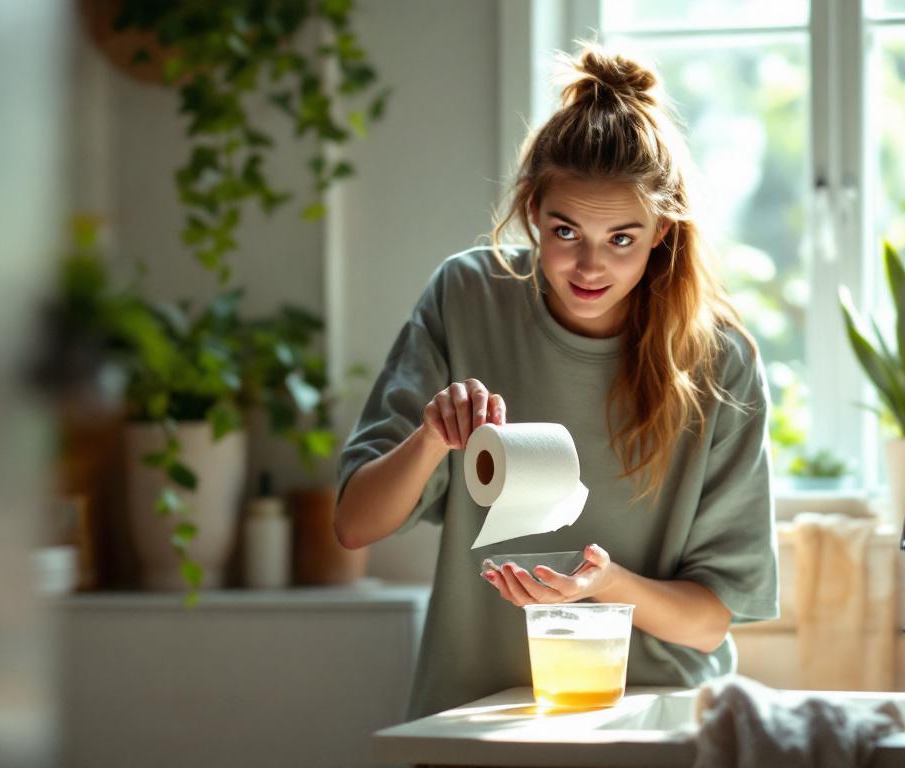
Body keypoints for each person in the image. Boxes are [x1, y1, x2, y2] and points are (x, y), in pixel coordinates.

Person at [333, 45, 779, 720]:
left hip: (651, 712)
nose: (590, 266)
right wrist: (430, 439)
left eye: (622, 239)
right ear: (532, 210)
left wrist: (603, 585)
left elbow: (710, 621)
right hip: (478, 711)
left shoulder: (718, 360)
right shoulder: (467, 296)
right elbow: (354, 525)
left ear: (661, 230)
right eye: (566, 231)